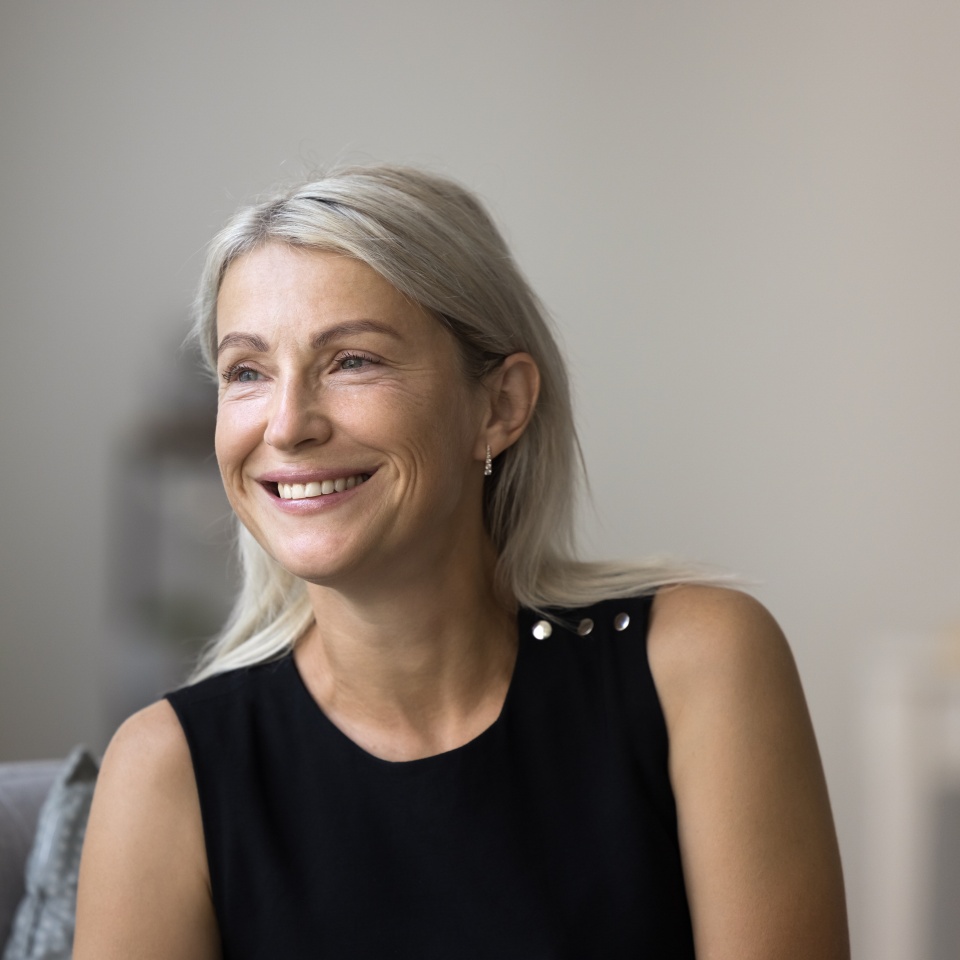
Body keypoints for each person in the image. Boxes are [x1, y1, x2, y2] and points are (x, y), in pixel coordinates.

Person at [75, 165, 849, 959]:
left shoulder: (697, 665)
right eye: (247, 371)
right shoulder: (165, 771)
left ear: (500, 406)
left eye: (352, 361)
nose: (287, 423)